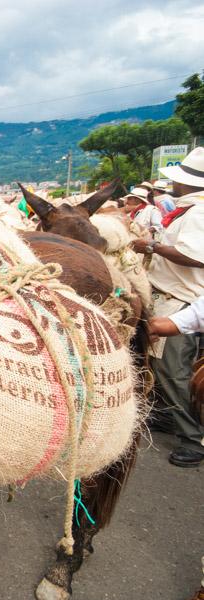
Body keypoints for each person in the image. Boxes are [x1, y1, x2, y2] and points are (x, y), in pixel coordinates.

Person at [131, 147, 204, 467]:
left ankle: (193, 438)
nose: (174, 186)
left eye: (179, 182)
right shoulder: (187, 212)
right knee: (159, 366)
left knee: (174, 371)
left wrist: (151, 246)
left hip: (182, 300)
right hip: (169, 295)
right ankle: (168, 418)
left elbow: (196, 256)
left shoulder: (200, 214)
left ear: (189, 185)